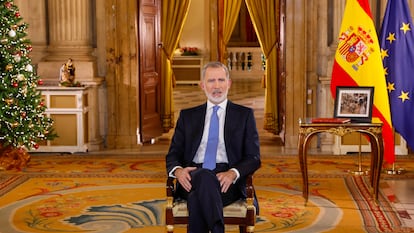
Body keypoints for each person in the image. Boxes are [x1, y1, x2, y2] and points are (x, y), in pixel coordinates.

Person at [166, 61, 261, 233]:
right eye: (211, 81)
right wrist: (179, 171)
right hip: (192, 175)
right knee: (202, 176)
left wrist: (233, 173)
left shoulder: (244, 115)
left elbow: (253, 157)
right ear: (202, 85)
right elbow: (173, 154)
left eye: (221, 80)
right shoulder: (188, 116)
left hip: (227, 179)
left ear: (229, 83)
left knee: (196, 199)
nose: (217, 86)